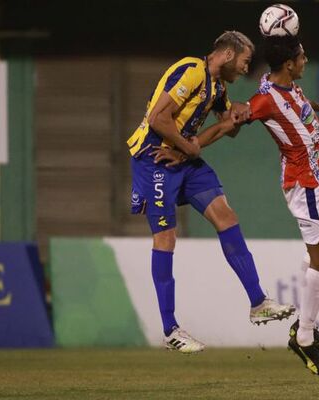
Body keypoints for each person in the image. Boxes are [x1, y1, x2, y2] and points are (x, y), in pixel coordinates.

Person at [190, 35, 319, 376]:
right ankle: (304, 335)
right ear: (290, 64)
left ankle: (306, 332)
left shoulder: (287, 85)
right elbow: (231, 122)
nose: (306, 60)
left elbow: (300, 104)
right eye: (302, 56)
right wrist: (189, 146)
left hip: (318, 175)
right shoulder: (264, 98)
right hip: (304, 182)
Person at [126, 31, 295, 354]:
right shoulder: (191, 71)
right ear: (228, 55)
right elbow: (157, 118)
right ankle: (169, 330)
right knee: (165, 238)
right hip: (154, 160)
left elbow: (226, 125)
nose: (246, 69)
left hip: (184, 161)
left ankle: (258, 302)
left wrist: (240, 113)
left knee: (226, 216)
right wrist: (188, 146)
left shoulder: (217, 87)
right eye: (245, 61)